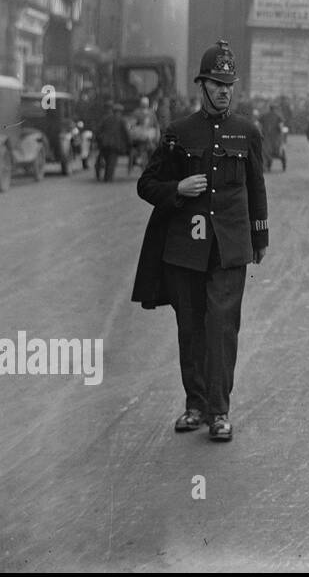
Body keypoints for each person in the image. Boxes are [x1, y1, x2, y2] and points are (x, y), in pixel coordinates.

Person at [131, 39, 268, 442]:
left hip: (229, 249)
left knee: (222, 327)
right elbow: (146, 184)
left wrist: (260, 237)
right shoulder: (178, 133)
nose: (225, 90)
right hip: (185, 251)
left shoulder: (247, 133)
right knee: (191, 327)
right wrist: (179, 187)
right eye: (217, 82)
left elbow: (257, 188)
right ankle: (195, 405)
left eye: (230, 83)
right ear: (202, 85)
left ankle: (219, 411)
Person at [95, 103, 132, 182]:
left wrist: (99, 141)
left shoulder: (105, 119)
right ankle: (108, 178)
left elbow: (98, 131)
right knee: (111, 161)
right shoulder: (122, 120)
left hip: (104, 144)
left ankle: (104, 176)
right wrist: (129, 143)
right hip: (115, 145)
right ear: (120, 112)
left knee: (107, 159)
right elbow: (126, 133)